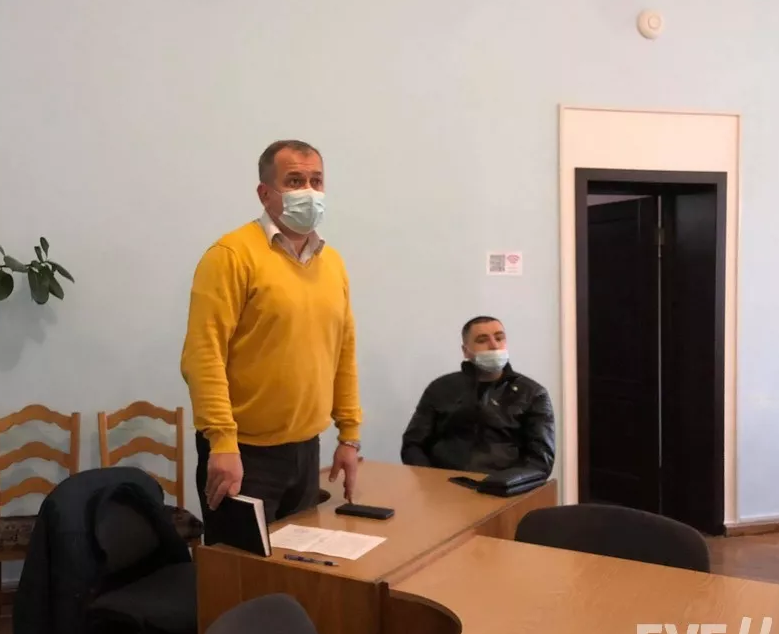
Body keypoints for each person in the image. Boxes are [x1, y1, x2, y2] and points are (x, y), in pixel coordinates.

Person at [180, 139, 363, 529]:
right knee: (239, 565)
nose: (309, 191)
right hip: (243, 453)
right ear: (265, 194)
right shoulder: (231, 256)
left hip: (306, 451)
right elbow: (203, 355)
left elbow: (343, 352)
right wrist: (222, 442)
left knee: (299, 561)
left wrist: (349, 436)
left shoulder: (332, 263)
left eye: (316, 181)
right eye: (295, 181)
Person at [400, 316, 555, 474]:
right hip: (443, 483)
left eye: (499, 338)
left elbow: (540, 461)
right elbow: (413, 444)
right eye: (482, 340)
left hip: (505, 486)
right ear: (466, 351)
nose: (494, 345)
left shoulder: (533, 393)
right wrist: (431, 479)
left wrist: (502, 484)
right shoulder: (440, 388)